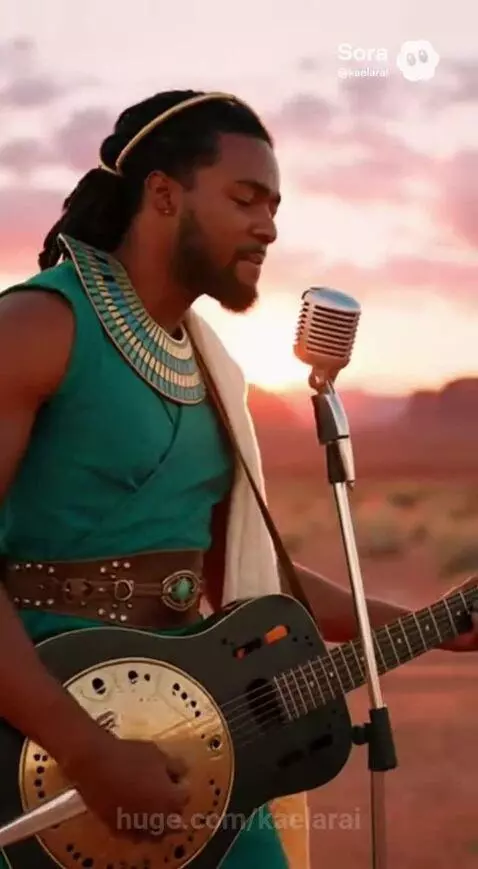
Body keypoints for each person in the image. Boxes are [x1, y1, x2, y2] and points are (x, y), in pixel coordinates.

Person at [0, 89, 476, 869]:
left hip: (198, 739)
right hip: (45, 755)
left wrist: (430, 621)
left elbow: (258, 579)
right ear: (163, 194)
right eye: (246, 198)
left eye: (276, 205)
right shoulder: (38, 326)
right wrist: (84, 748)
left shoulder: (215, 370)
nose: (270, 226)